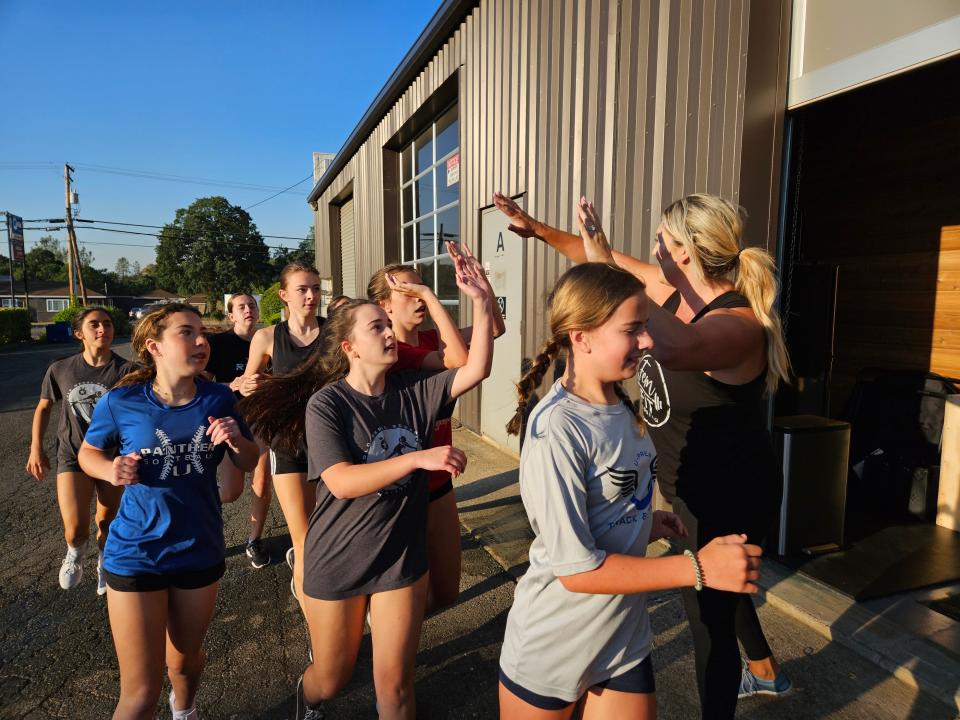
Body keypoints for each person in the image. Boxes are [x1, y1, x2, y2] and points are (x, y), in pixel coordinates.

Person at [494, 191, 792, 718]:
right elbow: (604, 276)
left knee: (710, 615)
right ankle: (766, 666)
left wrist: (608, 276)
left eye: (659, 240)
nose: (649, 250)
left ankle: (739, 690)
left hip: (723, 489)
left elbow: (654, 331)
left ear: (681, 252)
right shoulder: (564, 423)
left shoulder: (734, 324)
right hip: (675, 492)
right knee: (718, 585)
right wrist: (543, 231)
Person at [241, 253, 495, 720]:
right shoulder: (328, 404)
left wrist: (479, 301)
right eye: (376, 326)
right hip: (340, 557)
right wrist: (417, 457)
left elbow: (474, 368)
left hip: (400, 559)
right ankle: (308, 696)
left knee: (395, 689)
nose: (387, 333)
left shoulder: (416, 391)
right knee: (332, 678)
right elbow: (339, 481)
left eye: (386, 324)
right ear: (350, 347)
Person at [78, 303, 259, 720]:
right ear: (153, 346)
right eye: (187, 333)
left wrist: (236, 440)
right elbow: (89, 453)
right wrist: (110, 467)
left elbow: (249, 462)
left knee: (183, 661)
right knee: (140, 694)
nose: (201, 342)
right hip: (135, 552)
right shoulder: (121, 401)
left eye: (202, 333)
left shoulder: (219, 398)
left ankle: (186, 709)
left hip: (199, 548)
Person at [366, 242, 506, 612]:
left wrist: (481, 283)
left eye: (421, 288)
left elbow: (497, 327)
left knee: (445, 594)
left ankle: (399, 637)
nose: (418, 299)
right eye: (408, 293)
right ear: (385, 306)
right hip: (398, 487)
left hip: (438, 484)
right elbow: (460, 360)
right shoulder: (393, 351)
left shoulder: (430, 339)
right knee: (398, 596)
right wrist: (431, 295)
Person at [26, 307, 136, 595]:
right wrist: (36, 448)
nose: (103, 329)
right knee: (75, 529)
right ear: (79, 333)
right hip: (72, 456)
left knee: (107, 522)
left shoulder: (127, 371)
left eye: (108, 324)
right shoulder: (61, 369)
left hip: (112, 458)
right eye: (95, 325)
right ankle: (74, 553)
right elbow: (43, 407)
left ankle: (104, 560)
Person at [239, 264, 323, 598]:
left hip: (330, 444)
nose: (311, 296)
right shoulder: (267, 337)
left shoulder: (335, 333)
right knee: (304, 541)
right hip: (287, 446)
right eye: (303, 289)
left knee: (323, 533)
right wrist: (250, 385)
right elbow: (247, 385)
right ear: (284, 295)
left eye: (315, 288)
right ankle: (315, 620)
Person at [205, 292, 273, 568]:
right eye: (241, 307)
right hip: (230, 419)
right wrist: (232, 386)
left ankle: (254, 541)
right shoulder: (218, 344)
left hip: (263, 418)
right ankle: (200, 517)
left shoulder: (270, 340)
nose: (248, 310)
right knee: (231, 491)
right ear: (231, 315)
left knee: (262, 481)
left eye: (252, 305)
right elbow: (201, 386)